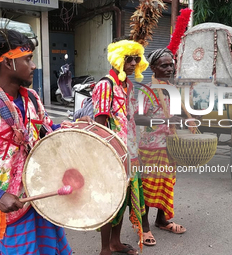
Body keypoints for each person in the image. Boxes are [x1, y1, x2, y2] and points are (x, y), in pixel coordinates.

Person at [0, 28, 90, 254]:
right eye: (28, 59)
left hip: (43, 197)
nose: (33, 66)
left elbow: (47, 130)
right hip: (12, 208)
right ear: (7, 62)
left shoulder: (33, 99)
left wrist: (74, 128)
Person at [92, 37, 148, 255]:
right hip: (112, 155)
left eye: (136, 59)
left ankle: (116, 242)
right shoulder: (106, 85)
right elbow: (100, 124)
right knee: (110, 201)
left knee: (123, 201)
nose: (133, 63)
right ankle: (105, 248)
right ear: (117, 59)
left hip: (130, 153)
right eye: (128, 59)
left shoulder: (128, 84)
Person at [135, 48, 186, 247]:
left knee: (167, 185)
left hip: (170, 145)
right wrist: (164, 119)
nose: (169, 68)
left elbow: (174, 117)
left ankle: (162, 220)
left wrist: (185, 120)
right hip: (150, 147)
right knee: (148, 188)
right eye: (164, 65)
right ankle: (144, 227)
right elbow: (138, 118)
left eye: (171, 64)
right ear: (153, 68)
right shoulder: (145, 90)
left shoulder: (172, 90)